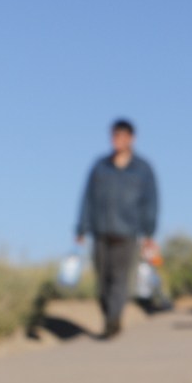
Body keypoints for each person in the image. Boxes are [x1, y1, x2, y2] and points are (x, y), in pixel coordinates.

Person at [74, 118, 159, 340]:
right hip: (101, 231)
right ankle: (109, 315)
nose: (117, 140)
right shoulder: (100, 166)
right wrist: (81, 228)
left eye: (122, 136)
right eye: (114, 136)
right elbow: (87, 198)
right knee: (102, 282)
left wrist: (149, 232)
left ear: (132, 139)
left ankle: (113, 321)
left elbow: (151, 201)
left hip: (128, 233)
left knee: (121, 279)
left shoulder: (142, 169)